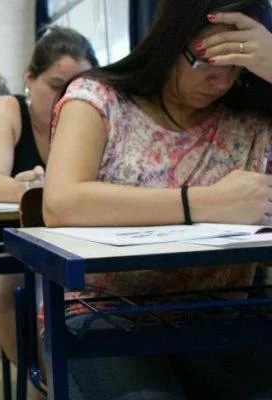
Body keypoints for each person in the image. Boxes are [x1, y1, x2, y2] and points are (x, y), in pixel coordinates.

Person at [45, 1, 272, 398]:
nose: (221, 81)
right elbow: (61, 203)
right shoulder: (99, 100)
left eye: (238, 66)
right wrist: (202, 203)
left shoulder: (251, 118)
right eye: (207, 60)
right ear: (169, 40)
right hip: (101, 313)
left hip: (217, 316)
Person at [0, 27, 98, 369]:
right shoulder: (7, 109)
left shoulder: (95, 114)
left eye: (79, 87)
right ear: (30, 79)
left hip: (77, 241)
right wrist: (30, 189)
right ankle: (40, 377)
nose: (67, 97)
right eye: (56, 86)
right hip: (16, 244)